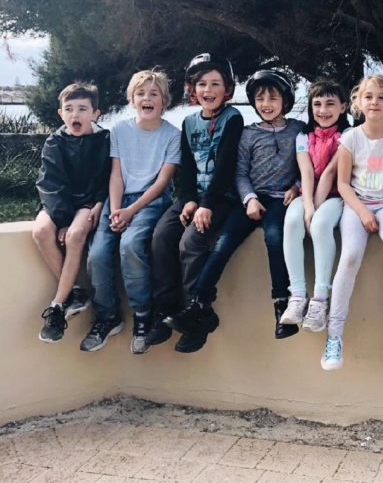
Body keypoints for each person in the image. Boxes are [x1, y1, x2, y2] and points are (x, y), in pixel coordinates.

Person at [165, 69, 303, 351]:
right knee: (222, 244)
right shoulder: (249, 134)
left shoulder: (298, 129)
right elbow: (239, 172)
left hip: (281, 199)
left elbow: (309, 163)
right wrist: (250, 198)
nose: (266, 103)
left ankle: (281, 304)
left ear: (285, 100)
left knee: (275, 236)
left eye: (273, 97)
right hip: (250, 198)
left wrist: (298, 186)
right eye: (260, 98)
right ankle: (199, 303)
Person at [148, 53, 243, 352]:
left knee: (191, 244)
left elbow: (227, 168)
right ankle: (165, 310)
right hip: (193, 198)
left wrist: (206, 204)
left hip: (220, 198)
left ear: (227, 89)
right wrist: (188, 200)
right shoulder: (189, 123)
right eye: (202, 83)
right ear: (193, 89)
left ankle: (197, 312)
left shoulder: (233, 118)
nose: (208, 90)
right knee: (162, 237)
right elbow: (185, 169)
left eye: (216, 83)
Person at [82, 70, 181, 354]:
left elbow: (163, 182)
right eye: (141, 93)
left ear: (164, 101)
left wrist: (131, 211)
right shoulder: (120, 131)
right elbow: (116, 174)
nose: (147, 99)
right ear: (131, 99)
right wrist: (116, 210)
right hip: (117, 199)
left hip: (150, 201)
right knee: (98, 253)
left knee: (130, 246)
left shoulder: (172, 136)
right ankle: (108, 316)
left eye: (154, 94)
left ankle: (142, 314)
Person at [320, 74, 383, 370]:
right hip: (358, 204)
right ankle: (334, 334)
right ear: (359, 102)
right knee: (349, 257)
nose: (375, 102)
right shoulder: (350, 138)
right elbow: (344, 184)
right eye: (369, 96)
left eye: (382, 97)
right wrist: (362, 213)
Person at [33, 82, 110, 343]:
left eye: (82, 109)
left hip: (87, 202)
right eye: (69, 109)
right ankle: (76, 292)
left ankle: (56, 307)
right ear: (60, 114)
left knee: (76, 235)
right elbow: (51, 184)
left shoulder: (104, 140)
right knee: (41, 230)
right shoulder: (54, 142)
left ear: (95, 113)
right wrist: (61, 219)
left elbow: (107, 178)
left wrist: (98, 203)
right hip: (58, 203)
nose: (75, 115)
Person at [281, 79, 350, 332]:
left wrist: (316, 209)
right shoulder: (303, 136)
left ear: (343, 107)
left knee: (320, 226)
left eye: (330, 104)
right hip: (307, 191)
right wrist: (308, 206)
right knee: (292, 222)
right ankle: (298, 295)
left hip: (336, 195)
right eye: (317, 104)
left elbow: (331, 173)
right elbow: (306, 172)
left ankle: (320, 299)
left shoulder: (348, 136)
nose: (323, 110)